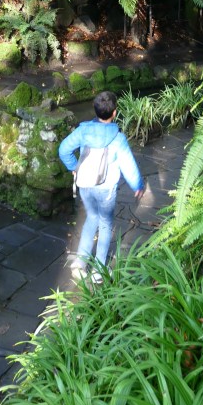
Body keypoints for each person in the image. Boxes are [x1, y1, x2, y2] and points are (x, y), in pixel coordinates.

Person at [58, 90, 145, 282]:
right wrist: (137, 185)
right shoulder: (118, 138)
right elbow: (128, 165)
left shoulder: (83, 131)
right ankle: (98, 271)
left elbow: (63, 149)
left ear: (96, 110)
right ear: (114, 112)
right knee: (105, 225)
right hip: (106, 190)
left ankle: (80, 264)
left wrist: (74, 167)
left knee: (92, 217)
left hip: (85, 186)